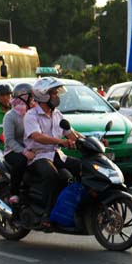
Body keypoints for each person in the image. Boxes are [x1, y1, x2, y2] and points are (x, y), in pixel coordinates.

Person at [24, 76, 83, 226]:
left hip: (57, 155)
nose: (56, 97)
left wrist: (93, 140)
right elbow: (37, 137)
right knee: (53, 175)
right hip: (38, 157)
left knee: (81, 168)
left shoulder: (57, 115)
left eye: (56, 93)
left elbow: (72, 134)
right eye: (53, 93)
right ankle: (46, 215)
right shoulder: (31, 115)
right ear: (43, 95)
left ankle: (76, 208)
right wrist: (60, 141)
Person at [2, 83, 35, 203]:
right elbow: (9, 140)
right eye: (30, 97)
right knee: (21, 161)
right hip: (12, 150)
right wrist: (24, 152)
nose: (32, 100)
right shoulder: (10, 116)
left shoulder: (32, 113)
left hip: (31, 149)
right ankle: (14, 193)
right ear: (21, 97)